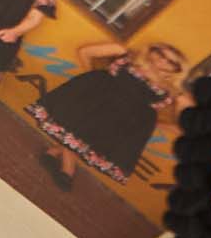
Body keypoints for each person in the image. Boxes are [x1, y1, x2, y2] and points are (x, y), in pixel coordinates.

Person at [29, 40, 188, 189]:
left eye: (172, 62)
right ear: (152, 50)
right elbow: (85, 52)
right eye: (160, 53)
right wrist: (94, 81)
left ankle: (52, 154)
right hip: (96, 102)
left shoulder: (172, 91)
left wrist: (154, 123)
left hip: (123, 119)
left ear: (178, 70)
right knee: (76, 130)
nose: (163, 60)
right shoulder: (129, 57)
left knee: (88, 139)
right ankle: (67, 171)